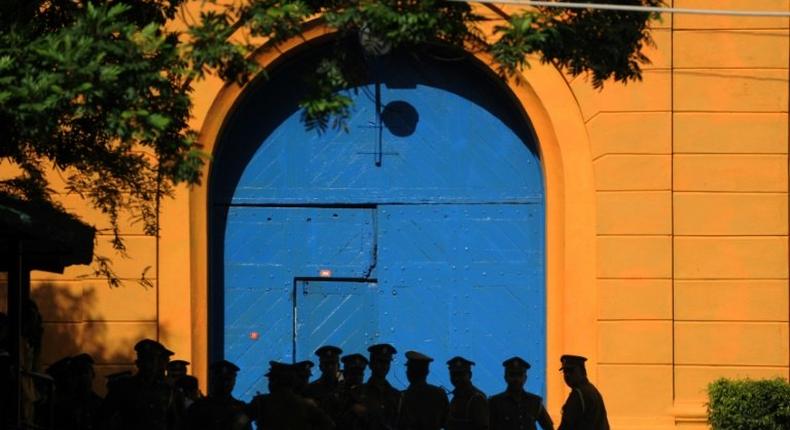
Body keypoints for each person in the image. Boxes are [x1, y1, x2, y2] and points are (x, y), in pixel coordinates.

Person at [101, 339, 182, 430]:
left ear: (157, 363)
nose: (148, 365)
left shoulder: (166, 390)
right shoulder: (123, 388)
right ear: (138, 363)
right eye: (144, 360)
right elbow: (104, 418)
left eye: (152, 361)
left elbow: (174, 422)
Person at [247, 361, 334, 430]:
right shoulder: (306, 404)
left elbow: (239, 422)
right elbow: (328, 424)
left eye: (271, 380)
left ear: (274, 382)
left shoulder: (261, 402)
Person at [489, 357, 553, 430]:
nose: (516, 379)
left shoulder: (535, 402)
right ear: (505, 377)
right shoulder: (495, 403)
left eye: (519, 375)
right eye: (512, 375)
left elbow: (549, 427)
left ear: (525, 378)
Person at [186, 360, 250, 430]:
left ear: (234, 382)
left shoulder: (240, 408)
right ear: (212, 380)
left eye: (229, 380)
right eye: (221, 380)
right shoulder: (198, 408)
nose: (225, 384)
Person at [350, 344, 401, 430]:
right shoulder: (356, 393)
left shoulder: (396, 396)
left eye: (387, 362)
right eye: (380, 361)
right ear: (371, 365)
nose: (384, 366)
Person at [397, 350, 448, 430]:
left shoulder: (400, 397)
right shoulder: (439, 394)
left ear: (408, 373)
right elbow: (445, 423)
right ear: (427, 372)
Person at [557, 355, 609, 430]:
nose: (567, 375)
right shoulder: (591, 390)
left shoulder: (579, 394)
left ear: (582, 372)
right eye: (565, 372)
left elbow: (566, 425)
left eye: (571, 371)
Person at [445, 356, 488, 430]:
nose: (457, 378)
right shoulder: (456, 396)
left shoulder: (476, 398)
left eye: (461, 374)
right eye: (454, 374)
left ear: (470, 375)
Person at [305, 346, 344, 418]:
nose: (330, 367)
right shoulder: (312, 389)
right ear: (320, 366)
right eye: (326, 364)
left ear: (338, 366)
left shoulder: (345, 387)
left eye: (332, 363)